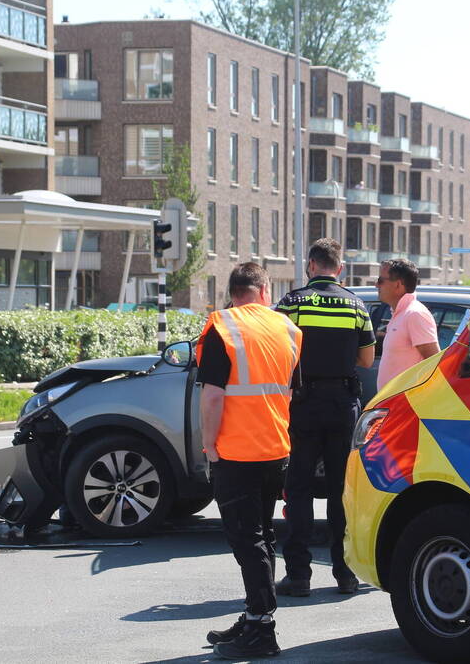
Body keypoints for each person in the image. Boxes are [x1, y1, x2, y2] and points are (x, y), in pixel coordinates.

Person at [197, 262, 303, 659]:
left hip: (236, 452)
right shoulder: (288, 330)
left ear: (234, 291)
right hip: (275, 449)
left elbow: (212, 395)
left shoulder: (222, 327)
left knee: (247, 539)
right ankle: (255, 615)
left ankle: (262, 627)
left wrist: (210, 445)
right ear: (263, 290)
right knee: (262, 536)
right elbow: (289, 393)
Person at [274, 238, 376, 597]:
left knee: (298, 490)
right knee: (339, 492)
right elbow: (366, 361)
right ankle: (345, 574)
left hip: (303, 403)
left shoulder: (292, 302)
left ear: (311, 265)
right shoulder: (357, 305)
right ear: (340, 268)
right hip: (342, 404)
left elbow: (278, 352)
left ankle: (299, 575)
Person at [375, 258, 440, 390]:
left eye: (380, 281)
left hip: (405, 404)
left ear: (398, 285)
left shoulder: (414, 314)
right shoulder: (402, 313)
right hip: (394, 403)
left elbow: (435, 364)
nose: (376, 285)